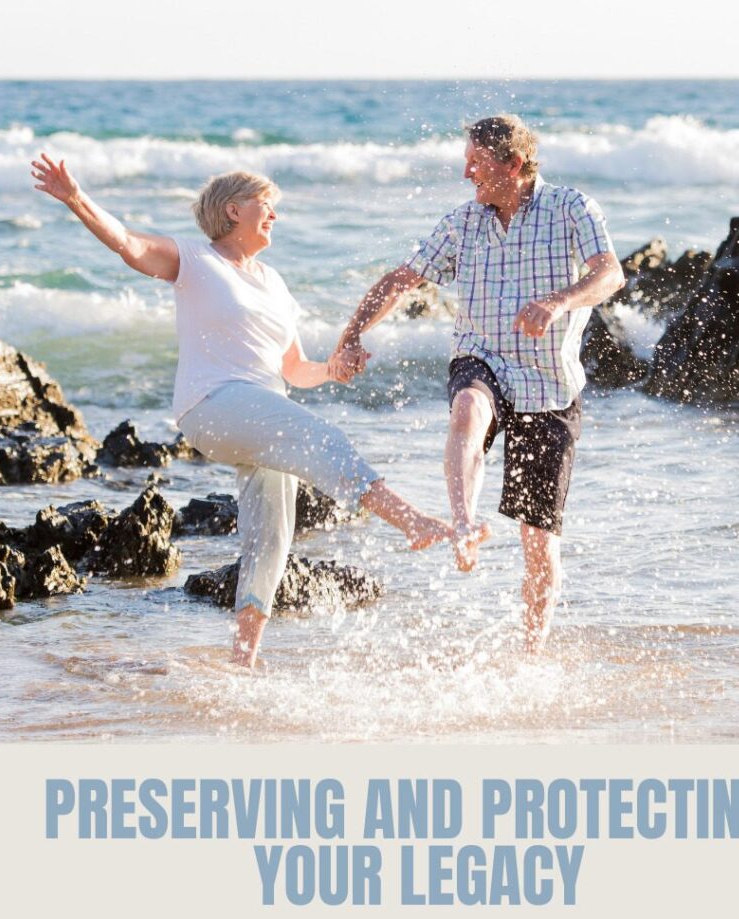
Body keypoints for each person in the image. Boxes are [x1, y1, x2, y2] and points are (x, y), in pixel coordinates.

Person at [32, 154, 453, 669]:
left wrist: (334, 369)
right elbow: (129, 243)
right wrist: (76, 198)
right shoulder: (194, 259)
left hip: (263, 411)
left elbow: (295, 368)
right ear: (233, 210)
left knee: (271, 534)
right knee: (322, 439)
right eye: (266, 205)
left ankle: (243, 655)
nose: (274, 215)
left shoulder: (275, 284)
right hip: (212, 404)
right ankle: (411, 522)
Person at [336, 115, 625, 652]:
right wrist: (351, 334)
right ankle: (465, 524)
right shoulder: (464, 222)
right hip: (482, 356)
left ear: (513, 164)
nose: (467, 172)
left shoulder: (571, 208)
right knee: (469, 406)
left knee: (539, 544)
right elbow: (405, 279)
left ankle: (531, 653)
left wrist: (559, 301)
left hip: (550, 384)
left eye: (478, 162)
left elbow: (610, 273)